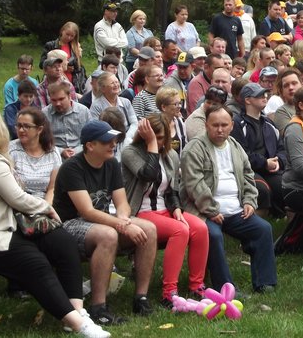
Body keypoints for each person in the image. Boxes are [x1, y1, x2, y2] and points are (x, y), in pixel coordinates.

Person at [0, 109, 110, 337]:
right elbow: (17, 198)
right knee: (35, 263)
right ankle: (78, 324)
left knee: (63, 242)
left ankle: (77, 310)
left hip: (10, 225)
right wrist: (47, 208)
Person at [54, 120, 158, 323]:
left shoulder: (111, 164)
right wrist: (121, 225)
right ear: (90, 145)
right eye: (106, 141)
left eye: (114, 140)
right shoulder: (71, 167)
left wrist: (124, 218)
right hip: (69, 225)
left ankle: (141, 298)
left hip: (100, 221)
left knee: (149, 229)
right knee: (108, 235)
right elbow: (86, 211)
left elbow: (122, 203)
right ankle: (98, 308)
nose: (113, 144)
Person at [180, 105, 277, 293]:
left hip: (235, 210)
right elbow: (194, 184)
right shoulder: (195, 148)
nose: (220, 129)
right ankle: (225, 287)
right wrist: (211, 210)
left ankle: (265, 283)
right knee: (213, 236)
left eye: (224, 125)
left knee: (263, 229)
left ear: (232, 125)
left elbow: (248, 175)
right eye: (215, 125)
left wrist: (249, 201)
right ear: (206, 125)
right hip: (204, 212)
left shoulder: (234, 146)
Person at [122, 114, 209, 306]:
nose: (159, 142)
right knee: (180, 230)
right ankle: (169, 292)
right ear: (144, 136)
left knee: (200, 228)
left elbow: (172, 190)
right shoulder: (130, 153)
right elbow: (149, 174)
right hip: (140, 212)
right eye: (153, 137)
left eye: (161, 138)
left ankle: (196, 286)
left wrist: (176, 208)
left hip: (164, 210)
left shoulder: (171, 156)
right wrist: (152, 144)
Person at [231, 83, 286, 217]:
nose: (264, 97)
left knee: (286, 185)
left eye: (265, 94)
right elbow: (240, 154)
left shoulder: (268, 123)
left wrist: (279, 161)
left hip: (271, 169)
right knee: (262, 190)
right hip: (248, 171)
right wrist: (264, 163)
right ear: (247, 100)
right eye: (259, 95)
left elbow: (282, 148)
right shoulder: (237, 123)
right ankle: (255, 221)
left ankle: (280, 217)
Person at [9, 107, 62, 204]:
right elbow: (10, 187)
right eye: (19, 126)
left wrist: (47, 207)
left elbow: (52, 188)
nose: (21, 130)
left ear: (39, 129)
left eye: (27, 126)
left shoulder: (52, 152)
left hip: (45, 203)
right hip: (19, 203)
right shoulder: (11, 150)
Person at [89, 73, 137, 153]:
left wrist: (126, 138)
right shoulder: (96, 106)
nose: (116, 85)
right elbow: (97, 128)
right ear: (103, 88)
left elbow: (134, 123)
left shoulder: (126, 102)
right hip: (107, 142)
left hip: (127, 140)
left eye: (117, 82)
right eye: (112, 83)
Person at [44, 82, 93, 160]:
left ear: (69, 96)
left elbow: (91, 137)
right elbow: (42, 141)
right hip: (54, 156)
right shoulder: (45, 114)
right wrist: (61, 151)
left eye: (61, 99)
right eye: (54, 100)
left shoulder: (83, 111)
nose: (58, 103)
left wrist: (76, 151)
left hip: (81, 154)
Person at [41, 22, 86, 93]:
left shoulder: (75, 47)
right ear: (62, 31)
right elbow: (42, 64)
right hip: (55, 80)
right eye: (67, 34)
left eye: (72, 36)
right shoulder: (51, 45)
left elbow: (79, 67)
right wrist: (63, 67)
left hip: (72, 81)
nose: (69, 38)